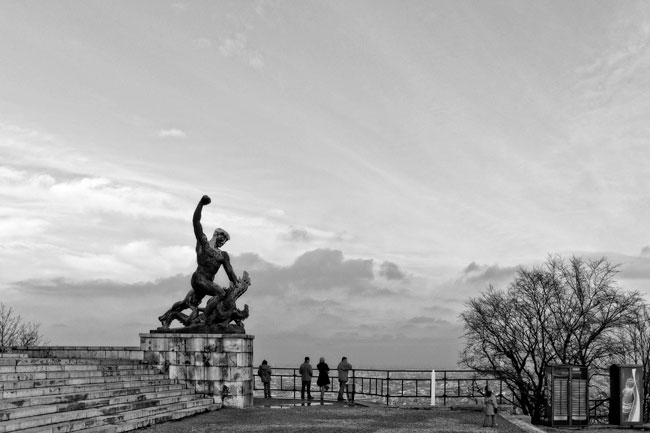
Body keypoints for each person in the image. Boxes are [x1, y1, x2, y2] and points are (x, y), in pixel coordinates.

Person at [159, 195, 240, 328]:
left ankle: (165, 317)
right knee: (220, 293)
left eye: (226, 240)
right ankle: (204, 320)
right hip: (199, 279)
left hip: (207, 283)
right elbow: (196, 221)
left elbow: (230, 272)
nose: (224, 242)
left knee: (186, 302)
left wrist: (236, 283)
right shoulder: (203, 244)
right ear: (218, 235)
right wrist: (201, 204)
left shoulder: (223, 255)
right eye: (224, 238)